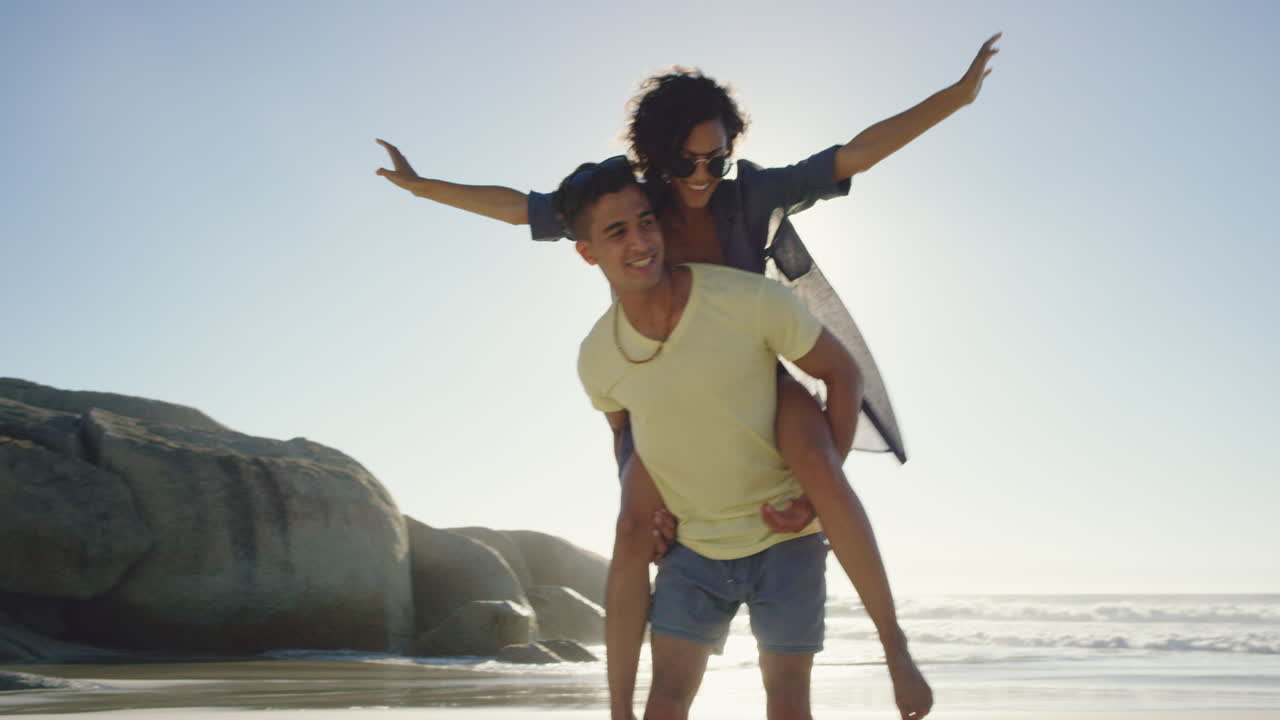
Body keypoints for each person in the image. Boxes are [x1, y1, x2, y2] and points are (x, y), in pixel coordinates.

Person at [376, 33, 1001, 548]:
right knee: (649, 527)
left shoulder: (752, 196)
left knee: (816, 454)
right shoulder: (628, 207)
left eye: (717, 160)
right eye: (686, 161)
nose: (703, 175)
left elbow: (854, 154)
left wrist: (958, 97)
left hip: (748, 377)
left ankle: (816, 518)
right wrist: (425, 187)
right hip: (658, 389)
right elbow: (523, 209)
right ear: (654, 155)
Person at [559, 156, 931, 720]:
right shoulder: (597, 358)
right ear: (587, 252)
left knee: (786, 704)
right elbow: (624, 436)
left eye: (646, 222)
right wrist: (652, 515)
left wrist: (815, 488)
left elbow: (843, 372)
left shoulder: (744, 300)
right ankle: (618, 712)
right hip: (693, 551)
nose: (641, 241)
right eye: (617, 232)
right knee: (665, 697)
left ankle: (896, 651)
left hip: (784, 540)